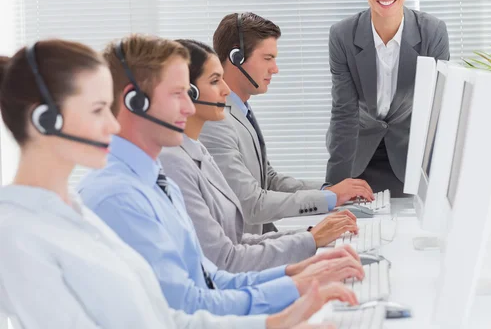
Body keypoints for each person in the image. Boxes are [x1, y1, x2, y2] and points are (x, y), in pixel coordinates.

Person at [0, 41, 337, 329]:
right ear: (45, 119)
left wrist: (279, 315)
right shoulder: (19, 235)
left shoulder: (73, 212)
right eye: (98, 109)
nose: (110, 122)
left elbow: (166, 317)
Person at [78, 34, 362, 316]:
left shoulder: (156, 180)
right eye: (178, 94)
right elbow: (187, 304)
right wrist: (281, 313)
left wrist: (296, 276)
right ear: (134, 101)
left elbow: (210, 277)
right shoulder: (120, 196)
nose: (189, 108)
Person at [160, 39, 360, 273]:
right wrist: (310, 242)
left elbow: (234, 241)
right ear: (188, 93)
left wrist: (312, 235)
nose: (225, 90)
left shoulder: (198, 148)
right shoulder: (176, 159)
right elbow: (227, 257)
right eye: (215, 81)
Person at [200, 12, 374, 235]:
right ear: (237, 57)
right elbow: (252, 203)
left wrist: (328, 190)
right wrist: (329, 198)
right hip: (243, 255)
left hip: (261, 243)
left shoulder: (241, 110)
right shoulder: (216, 120)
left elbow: (268, 180)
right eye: (268, 58)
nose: (275, 69)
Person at [325, 0, 451, 197]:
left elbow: (437, 110)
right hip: (358, 154)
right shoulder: (342, 35)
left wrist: (439, 178)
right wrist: (333, 187)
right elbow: (344, 112)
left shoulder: (432, 32)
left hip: (410, 153)